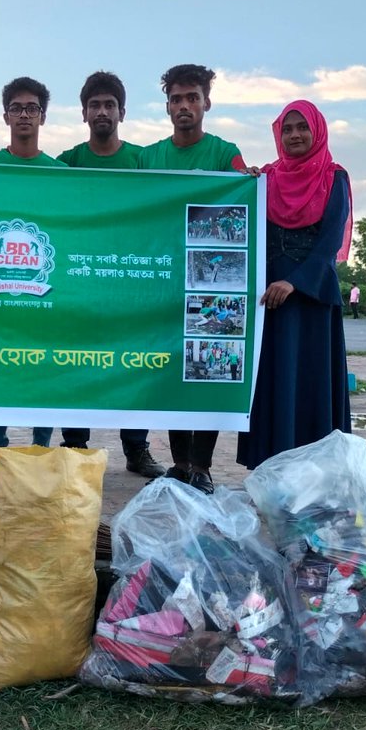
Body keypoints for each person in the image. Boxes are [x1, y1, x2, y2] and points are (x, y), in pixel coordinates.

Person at [138, 63, 256, 494]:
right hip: (162, 284)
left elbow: (247, 193)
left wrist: (252, 184)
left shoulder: (226, 153)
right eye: (176, 99)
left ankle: (202, 466)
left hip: (213, 286)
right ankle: (180, 463)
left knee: (208, 371)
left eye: (192, 98)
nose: (184, 106)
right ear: (167, 105)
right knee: (171, 371)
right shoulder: (148, 158)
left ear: (207, 102)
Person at [54, 71, 164, 478]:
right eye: (95, 105)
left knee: (133, 366)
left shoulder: (144, 160)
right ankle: (76, 445)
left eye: (109, 105)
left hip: (130, 286)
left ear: (122, 112)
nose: (102, 111)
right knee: (77, 364)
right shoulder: (67, 162)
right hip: (80, 285)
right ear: (84, 113)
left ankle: (136, 450)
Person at [237, 101, 352, 469]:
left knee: (308, 382)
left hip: (311, 298)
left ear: (317, 131)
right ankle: (269, 470)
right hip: (268, 299)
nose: (295, 135)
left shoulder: (334, 178)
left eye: (302, 127)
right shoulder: (267, 178)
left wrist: (294, 282)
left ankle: (315, 472)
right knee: (273, 381)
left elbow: (330, 240)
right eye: (287, 129)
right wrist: (246, 185)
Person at [0, 76, 65, 449]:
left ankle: (40, 450)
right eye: (17, 108)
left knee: (42, 373)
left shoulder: (62, 175)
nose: (25, 115)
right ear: (6, 116)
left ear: (42, 117)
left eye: (32, 109)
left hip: (43, 295)